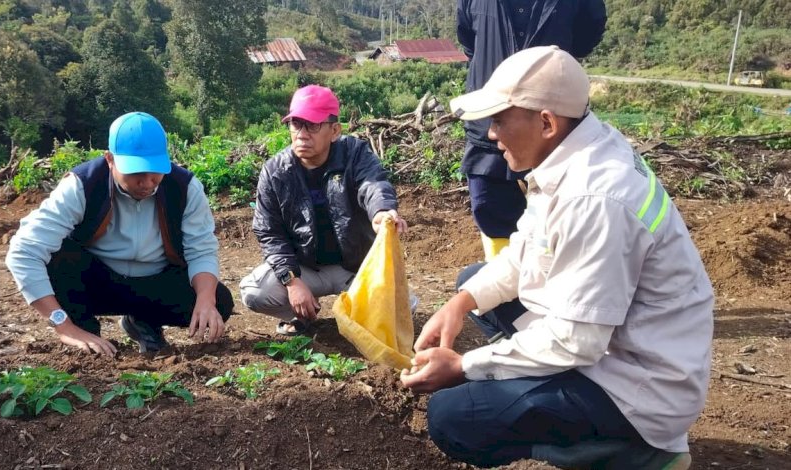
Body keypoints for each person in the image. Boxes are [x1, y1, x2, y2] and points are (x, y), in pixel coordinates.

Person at [400, 46, 712, 470]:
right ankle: (547, 396)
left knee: (453, 418)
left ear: (546, 122)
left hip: (639, 386)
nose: (492, 134)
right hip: (618, 344)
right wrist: (461, 303)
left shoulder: (595, 197)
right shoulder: (575, 152)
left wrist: (464, 366)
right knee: (473, 280)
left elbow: (577, 341)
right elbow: (524, 254)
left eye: (498, 119)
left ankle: (634, 454)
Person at [5, 112, 233, 355]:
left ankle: (144, 322)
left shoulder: (185, 188)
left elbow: (202, 249)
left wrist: (205, 300)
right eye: (136, 172)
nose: (147, 182)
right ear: (110, 159)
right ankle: (82, 332)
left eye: (155, 171)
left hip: (156, 282)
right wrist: (63, 325)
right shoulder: (83, 184)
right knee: (59, 257)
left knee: (218, 299)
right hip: (96, 282)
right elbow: (24, 251)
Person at [239, 85, 407, 336]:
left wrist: (381, 211)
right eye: (296, 124)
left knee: (403, 310)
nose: (302, 134)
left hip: (354, 266)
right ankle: (300, 315)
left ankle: (357, 309)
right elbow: (269, 232)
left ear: (335, 130)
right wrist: (292, 281)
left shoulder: (354, 154)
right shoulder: (275, 171)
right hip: (305, 267)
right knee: (255, 292)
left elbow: (373, 184)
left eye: (313, 125)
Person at [457, 0, 607, 260]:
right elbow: (469, 39)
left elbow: (586, 36)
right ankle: (508, 292)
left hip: (552, 135)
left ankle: (544, 289)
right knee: (491, 214)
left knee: (559, 222)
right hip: (489, 133)